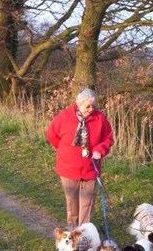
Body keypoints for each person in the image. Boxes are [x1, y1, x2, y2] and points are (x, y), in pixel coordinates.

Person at [46, 88, 114, 230]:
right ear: (78, 104)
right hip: (68, 169)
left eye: (93, 106)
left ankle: (84, 236)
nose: (91, 109)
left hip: (90, 170)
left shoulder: (100, 118)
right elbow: (51, 134)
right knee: (72, 205)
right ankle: (73, 234)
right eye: (87, 106)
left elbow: (108, 139)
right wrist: (64, 150)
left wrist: (99, 150)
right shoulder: (64, 116)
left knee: (87, 206)